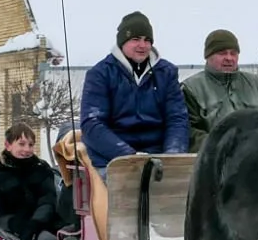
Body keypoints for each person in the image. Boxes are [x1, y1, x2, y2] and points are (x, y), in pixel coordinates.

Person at [78, 11, 188, 170]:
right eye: (135, 39)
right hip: (112, 159)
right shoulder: (100, 74)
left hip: (158, 156)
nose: (142, 45)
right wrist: (128, 156)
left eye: (147, 40)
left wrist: (173, 155)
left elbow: (177, 118)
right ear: (122, 42)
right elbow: (92, 124)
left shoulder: (166, 73)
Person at [183, 29, 258, 150]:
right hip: (217, 161)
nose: (229, 58)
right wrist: (220, 145)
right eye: (222, 53)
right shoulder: (191, 89)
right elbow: (189, 132)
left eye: (233, 53)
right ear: (208, 56)